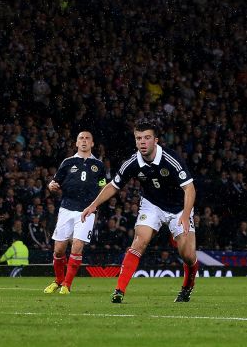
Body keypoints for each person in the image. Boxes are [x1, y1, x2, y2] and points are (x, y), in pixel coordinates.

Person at [81, 117, 198, 303]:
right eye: (139, 138)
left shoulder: (171, 159)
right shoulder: (132, 162)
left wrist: (185, 215)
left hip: (178, 208)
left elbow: (190, 189)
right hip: (152, 204)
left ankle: (187, 286)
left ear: (155, 140)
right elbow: (113, 185)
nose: (142, 142)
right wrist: (93, 205)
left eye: (147, 138)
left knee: (188, 255)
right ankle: (119, 290)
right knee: (139, 241)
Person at [44, 130, 107, 295]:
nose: (84, 141)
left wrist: (96, 205)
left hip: (87, 211)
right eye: (81, 138)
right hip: (66, 208)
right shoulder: (67, 162)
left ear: (92, 143)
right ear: (77, 143)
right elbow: (55, 182)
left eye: (87, 138)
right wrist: (51, 185)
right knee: (59, 249)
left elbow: (103, 186)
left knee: (77, 247)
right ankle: (58, 280)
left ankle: (67, 284)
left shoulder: (99, 166)